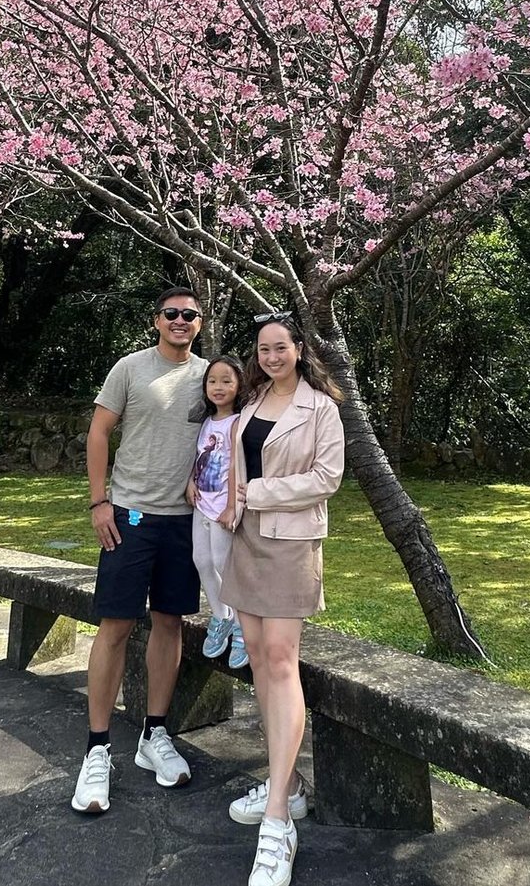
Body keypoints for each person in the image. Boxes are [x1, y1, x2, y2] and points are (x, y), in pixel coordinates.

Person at [71, 287, 207, 815]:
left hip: (184, 521)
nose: (179, 321)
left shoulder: (211, 375)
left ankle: (155, 734)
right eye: (171, 314)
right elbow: (99, 434)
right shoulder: (129, 368)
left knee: (170, 622)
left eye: (189, 315)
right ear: (157, 320)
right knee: (117, 625)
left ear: (199, 323)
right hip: (128, 515)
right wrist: (99, 501)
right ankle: (98, 747)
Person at [221, 312, 345, 886]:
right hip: (244, 539)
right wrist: (220, 495)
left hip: (292, 542)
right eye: (263, 349)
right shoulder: (249, 402)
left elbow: (328, 477)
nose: (271, 356)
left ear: (300, 349)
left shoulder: (321, 407)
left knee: (278, 659)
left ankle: (277, 822)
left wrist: (261, 493)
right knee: (254, 653)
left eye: (281, 347)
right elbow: (234, 465)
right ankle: (287, 785)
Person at [185, 355, 250, 670]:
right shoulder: (206, 421)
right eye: (213, 381)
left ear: (239, 385)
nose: (219, 387)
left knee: (225, 565)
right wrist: (189, 484)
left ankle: (242, 626)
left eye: (227, 380)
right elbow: (199, 458)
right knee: (202, 560)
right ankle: (221, 616)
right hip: (201, 503)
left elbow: (239, 465)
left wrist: (232, 506)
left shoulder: (238, 422)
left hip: (223, 508)